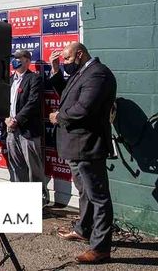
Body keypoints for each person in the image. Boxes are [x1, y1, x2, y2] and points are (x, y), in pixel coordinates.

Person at [48, 42, 117, 264]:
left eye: (67, 59)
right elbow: (68, 95)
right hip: (76, 146)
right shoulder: (83, 72)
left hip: (87, 146)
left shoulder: (98, 74)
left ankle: (100, 248)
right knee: (84, 192)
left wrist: (59, 117)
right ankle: (83, 229)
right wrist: (57, 70)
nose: (65, 62)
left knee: (98, 198)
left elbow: (83, 109)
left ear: (80, 54)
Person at [4, 50, 48, 204]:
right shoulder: (10, 80)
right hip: (11, 130)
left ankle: (39, 201)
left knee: (34, 168)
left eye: (19, 58)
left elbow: (33, 103)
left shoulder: (34, 79)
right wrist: (6, 119)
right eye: (14, 58)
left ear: (27, 61)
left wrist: (17, 120)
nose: (15, 61)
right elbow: (3, 103)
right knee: (16, 167)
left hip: (27, 131)